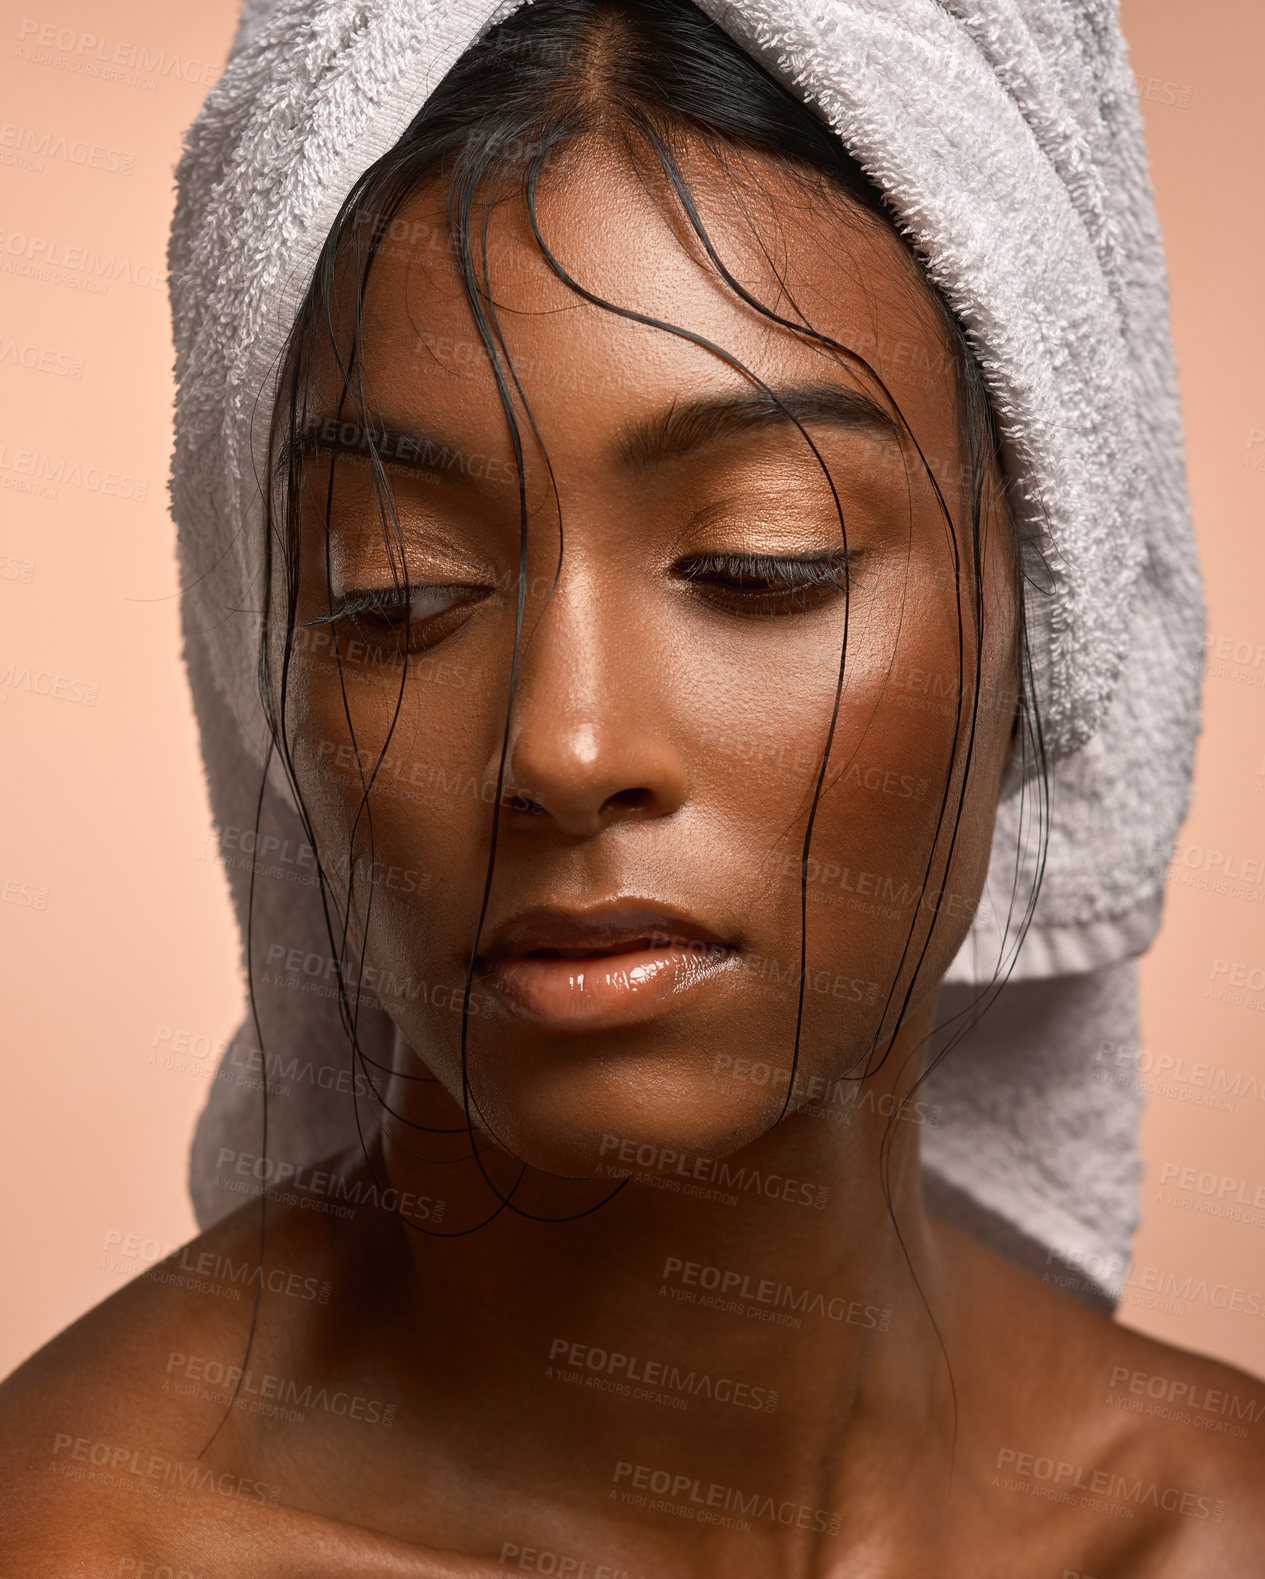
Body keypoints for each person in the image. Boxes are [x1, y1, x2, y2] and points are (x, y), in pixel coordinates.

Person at [2, 1, 1260, 1573]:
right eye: (396, 591)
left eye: (758, 562)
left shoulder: (1217, 1526)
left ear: (1047, 612)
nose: (565, 751)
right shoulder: (77, 1542)